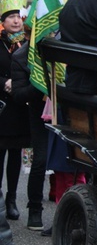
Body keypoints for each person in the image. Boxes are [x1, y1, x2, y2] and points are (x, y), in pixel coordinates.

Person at [10, 24, 48, 233]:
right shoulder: (21, 56)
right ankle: (35, 209)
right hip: (38, 113)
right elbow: (18, 94)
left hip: (65, 112)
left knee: (72, 163)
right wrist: (40, 84)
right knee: (40, 160)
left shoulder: (61, 49)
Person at [0, 0, 31, 224]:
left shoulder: (26, 42)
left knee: (15, 156)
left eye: (19, 17)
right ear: (3, 21)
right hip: (2, 106)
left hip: (20, 105)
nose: (16, 21)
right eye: (11, 17)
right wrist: (4, 82)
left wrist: (19, 83)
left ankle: (11, 199)